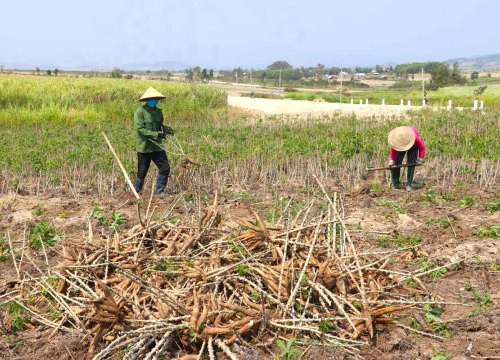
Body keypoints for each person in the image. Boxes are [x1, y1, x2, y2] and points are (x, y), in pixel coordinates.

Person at [134, 87, 174, 197]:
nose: (154, 100)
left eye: (156, 98)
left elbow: (160, 126)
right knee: (142, 171)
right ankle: (137, 192)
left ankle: (160, 191)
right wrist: (156, 134)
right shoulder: (140, 112)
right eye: (152, 98)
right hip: (145, 146)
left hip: (157, 146)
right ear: (147, 100)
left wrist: (166, 130)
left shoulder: (159, 112)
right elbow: (140, 129)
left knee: (165, 168)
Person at [387, 126, 425, 191]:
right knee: (396, 163)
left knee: (412, 162)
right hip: (400, 145)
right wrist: (391, 160)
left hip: (413, 144)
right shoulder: (396, 140)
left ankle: (408, 184)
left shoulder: (414, 137)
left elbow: (422, 147)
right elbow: (393, 151)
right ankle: (396, 185)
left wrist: (420, 158)